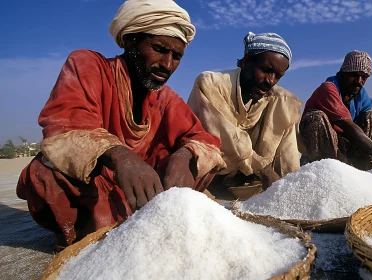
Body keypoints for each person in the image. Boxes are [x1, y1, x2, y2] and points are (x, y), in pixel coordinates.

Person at [16, 0, 226, 249]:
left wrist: (184, 156)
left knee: (200, 164)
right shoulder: (87, 65)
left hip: (147, 193)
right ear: (129, 41)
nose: (167, 65)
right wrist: (120, 156)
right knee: (44, 174)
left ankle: (134, 224)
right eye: (159, 49)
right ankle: (81, 235)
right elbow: (64, 129)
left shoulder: (166, 98)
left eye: (177, 56)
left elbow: (205, 141)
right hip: (95, 189)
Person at [187, 32, 302, 190]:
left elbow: (288, 154)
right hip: (208, 175)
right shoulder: (212, 84)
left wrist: (291, 186)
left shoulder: (280, 100)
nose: (270, 80)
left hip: (247, 181)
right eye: (266, 70)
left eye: (278, 76)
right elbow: (227, 137)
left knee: (284, 103)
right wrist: (265, 170)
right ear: (247, 61)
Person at [300, 50, 372, 170]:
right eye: (354, 75)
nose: (359, 81)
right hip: (323, 146)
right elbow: (346, 124)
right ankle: (326, 167)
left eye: (364, 77)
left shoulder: (360, 94)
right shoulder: (328, 88)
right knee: (316, 118)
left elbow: (363, 126)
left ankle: (360, 161)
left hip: (346, 144)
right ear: (342, 72)